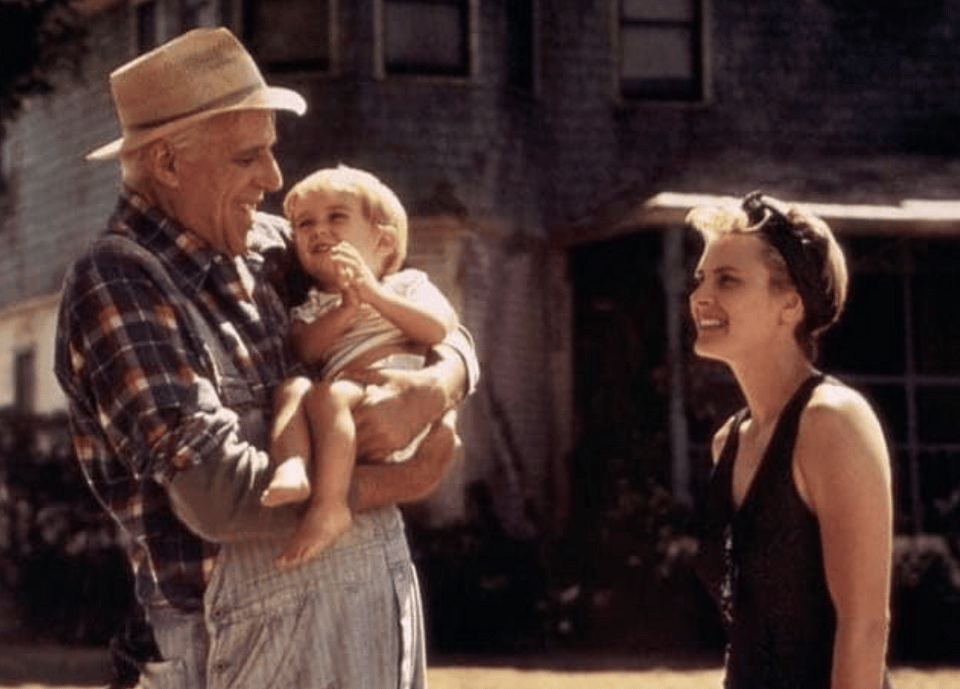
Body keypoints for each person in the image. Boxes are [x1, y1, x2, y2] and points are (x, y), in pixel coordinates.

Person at [54, 27, 478, 689]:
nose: (275, 179)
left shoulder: (273, 243)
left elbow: (420, 305)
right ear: (167, 163)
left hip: (370, 596)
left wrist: (441, 383)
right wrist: (405, 478)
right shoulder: (118, 281)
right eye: (249, 156)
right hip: (240, 637)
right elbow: (217, 495)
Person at [688, 191, 892, 688]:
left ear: (790, 304)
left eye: (727, 280)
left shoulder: (832, 422)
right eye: (700, 279)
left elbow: (864, 627)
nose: (699, 297)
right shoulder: (728, 441)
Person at [262, 164, 460, 568]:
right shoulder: (312, 305)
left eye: (336, 217)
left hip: (395, 403)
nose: (318, 230)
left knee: (328, 395)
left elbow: (438, 329)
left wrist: (373, 295)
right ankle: (293, 466)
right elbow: (304, 350)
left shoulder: (407, 285)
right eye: (304, 224)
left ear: (383, 241)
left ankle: (331, 505)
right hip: (342, 415)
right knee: (292, 388)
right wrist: (346, 310)